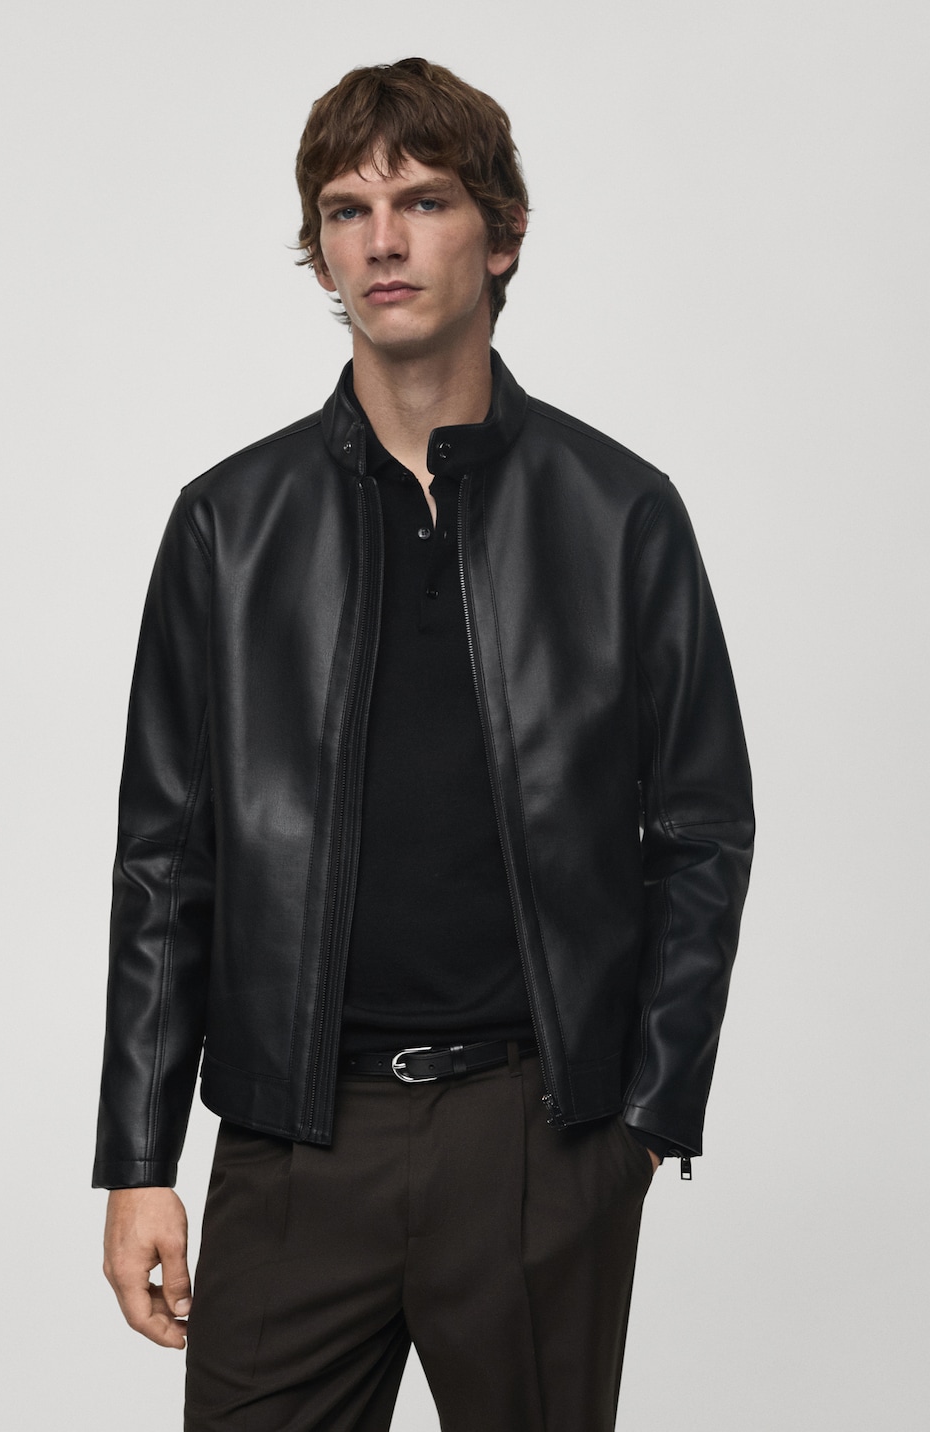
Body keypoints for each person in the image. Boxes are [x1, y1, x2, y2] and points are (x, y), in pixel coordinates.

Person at [94, 57, 754, 1432]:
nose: (382, 241)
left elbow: (700, 829)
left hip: (536, 1139)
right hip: (293, 1140)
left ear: (502, 235)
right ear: (321, 251)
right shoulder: (229, 526)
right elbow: (166, 856)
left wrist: (643, 1122)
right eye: (347, 210)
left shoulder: (619, 513)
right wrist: (139, 1160)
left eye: (425, 201)